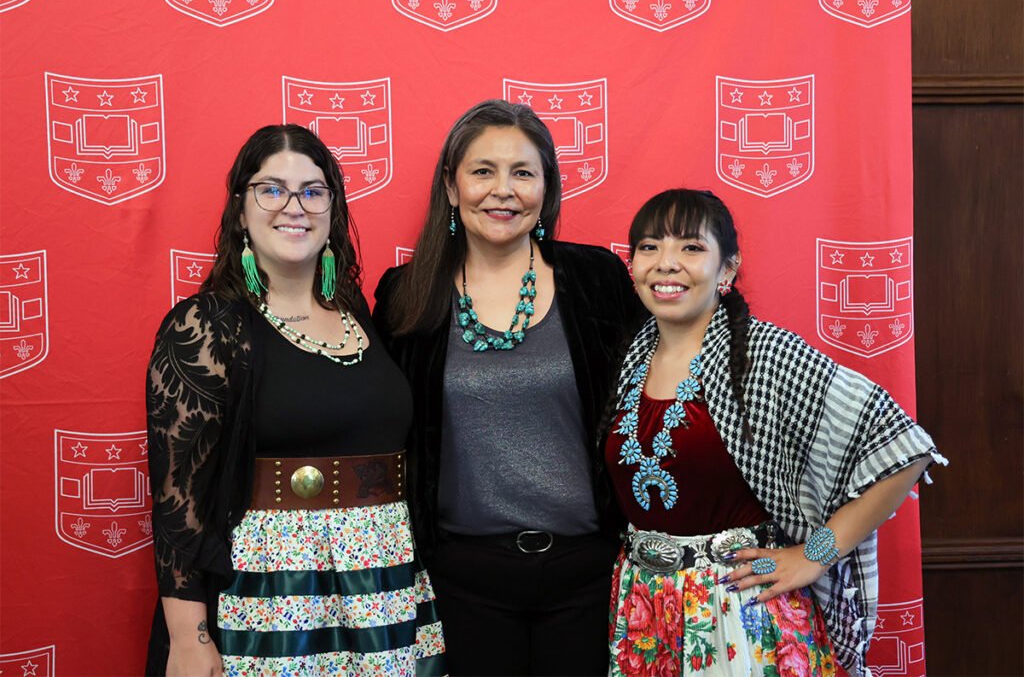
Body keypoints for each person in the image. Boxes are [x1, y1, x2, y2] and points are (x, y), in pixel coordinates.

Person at [604, 189, 945, 677]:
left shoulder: (765, 356)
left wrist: (813, 555)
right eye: (649, 246)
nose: (666, 263)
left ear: (727, 269)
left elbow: (905, 450)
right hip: (645, 608)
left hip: (742, 610)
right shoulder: (629, 359)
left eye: (692, 248)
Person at [144, 124, 445, 676]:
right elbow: (177, 502)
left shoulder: (363, 316)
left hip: (382, 586)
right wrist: (189, 638)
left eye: (313, 190)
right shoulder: (207, 326)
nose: (294, 207)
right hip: (267, 597)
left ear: (332, 209)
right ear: (240, 210)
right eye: (271, 188)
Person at [373, 99, 645, 675]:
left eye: (523, 172)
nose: (503, 190)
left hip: (591, 573)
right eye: (482, 171)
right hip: (462, 578)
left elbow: (668, 398)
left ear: (546, 189)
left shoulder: (598, 280)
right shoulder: (404, 295)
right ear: (451, 187)